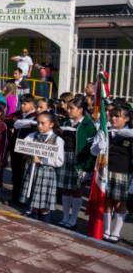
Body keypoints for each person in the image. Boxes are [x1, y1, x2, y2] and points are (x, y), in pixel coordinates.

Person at [91, 105, 133, 243]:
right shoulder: (105, 131)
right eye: (112, 115)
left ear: (126, 119)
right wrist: (99, 146)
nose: (113, 118)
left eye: (118, 116)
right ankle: (107, 230)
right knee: (107, 200)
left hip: (123, 173)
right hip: (105, 171)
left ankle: (116, 232)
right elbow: (93, 151)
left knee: (120, 203)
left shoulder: (130, 134)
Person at [56, 96, 96, 229]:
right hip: (65, 158)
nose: (68, 110)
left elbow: (91, 150)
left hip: (79, 161)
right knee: (66, 189)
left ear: (80, 110)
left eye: (71, 108)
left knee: (77, 190)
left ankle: (73, 219)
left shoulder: (88, 125)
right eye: (68, 107)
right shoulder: (66, 122)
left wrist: (86, 168)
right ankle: (65, 216)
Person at [19, 112, 64, 222]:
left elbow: (59, 161)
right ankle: (33, 224)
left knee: (44, 206)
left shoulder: (57, 140)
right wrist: (31, 154)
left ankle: (44, 224)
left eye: (43, 123)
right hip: (33, 172)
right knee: (33, 203)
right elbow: (23, 146)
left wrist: (42, 160)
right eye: (38, 123)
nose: (39, 126)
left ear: (51, 124)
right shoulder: (32, 136)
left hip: (46, 174)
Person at [9, 94, 39, 204]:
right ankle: (15, 197)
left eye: (25, 104)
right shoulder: (18, 115)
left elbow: (36, 126)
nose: (22, 106)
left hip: (27, 150)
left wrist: (28, 123)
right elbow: (9, 120)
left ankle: (23, 200)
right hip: (15, 148)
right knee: (15, 174)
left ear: (32, 105)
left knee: (25, 174)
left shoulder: (36, 117)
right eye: (21, 103)